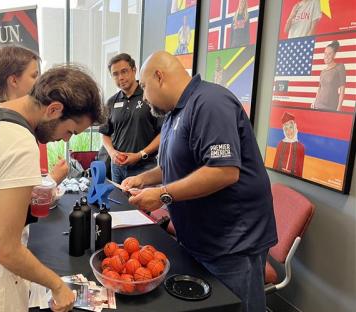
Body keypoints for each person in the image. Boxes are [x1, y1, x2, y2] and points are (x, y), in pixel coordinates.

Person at [0, 64, 104, 312]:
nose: (66, 140)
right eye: (70, 132)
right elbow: (5, 248)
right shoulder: (20, 142)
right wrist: (57, 286)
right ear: (54, 109)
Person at [122, 51, 277, 312]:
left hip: (232, 242)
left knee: (235, 307)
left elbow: (224, 171)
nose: (144, 97)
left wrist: (161, 194)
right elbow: (179, 163)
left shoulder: (210, 102)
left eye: (145, 87)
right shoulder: (174, 114)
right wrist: (143, 179)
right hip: (200, 238)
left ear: (159, 76)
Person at [0, 44, 68, 184]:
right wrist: (53, 179)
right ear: (13, 80)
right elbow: (18, 199)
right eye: (34, 75)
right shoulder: (14, 132)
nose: (39, 82)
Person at [99, 53, 162, 184]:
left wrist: (140, 154)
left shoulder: (150, 96)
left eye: (124, 71)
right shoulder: (111, 102)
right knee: (119, 204)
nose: (120, 77)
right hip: (118, 167)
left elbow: (163, 133)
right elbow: (105, 133)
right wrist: (112, 153)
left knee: (142, 204)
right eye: (115, 74)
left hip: (145, 167)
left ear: (134, 70)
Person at [312, 40, 346, 111]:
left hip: (331, 107)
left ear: (334, 55)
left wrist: (338, 109)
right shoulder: (323, 71)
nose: (326, 56)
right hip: (317, 105)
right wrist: (314, 102)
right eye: (325, 53)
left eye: (329, 54)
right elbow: (319, 89)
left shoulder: (340, 67)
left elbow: (342, 91)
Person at [273, 112, 305, 177]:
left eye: (290, 127)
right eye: (286, 129)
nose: (289, 131)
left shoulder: (301, 147)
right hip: (280, 175)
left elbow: (300, 167)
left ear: (295, 127)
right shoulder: (281, 144)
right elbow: (275, 163)